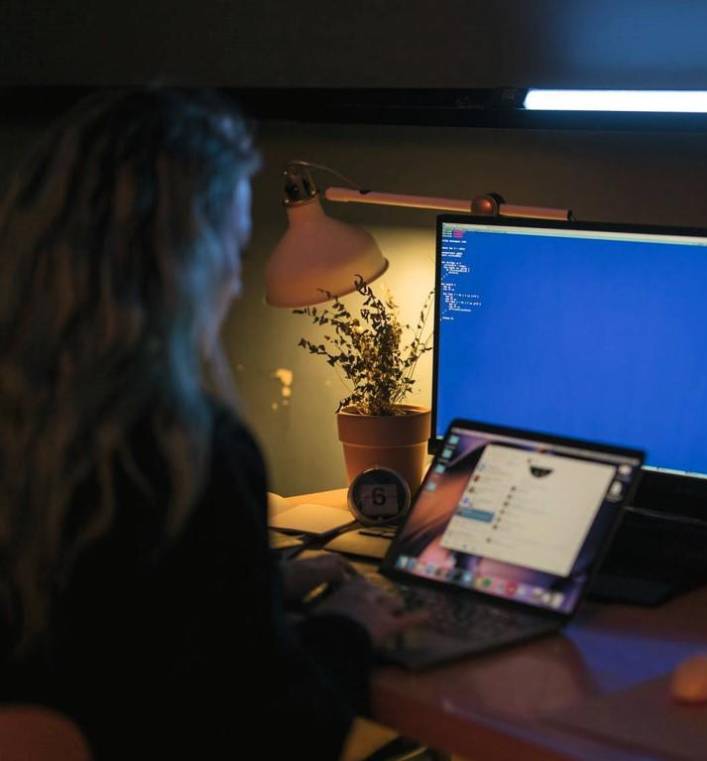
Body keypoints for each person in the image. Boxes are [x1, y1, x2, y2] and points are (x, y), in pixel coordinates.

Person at [0, 88, 424, 759]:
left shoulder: (35, 423)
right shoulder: (186, 449)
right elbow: (279, 731)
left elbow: (108, 618)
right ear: (190, 259)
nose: (236, 278)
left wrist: (259, 584)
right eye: (234, 243)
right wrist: (349, 626)